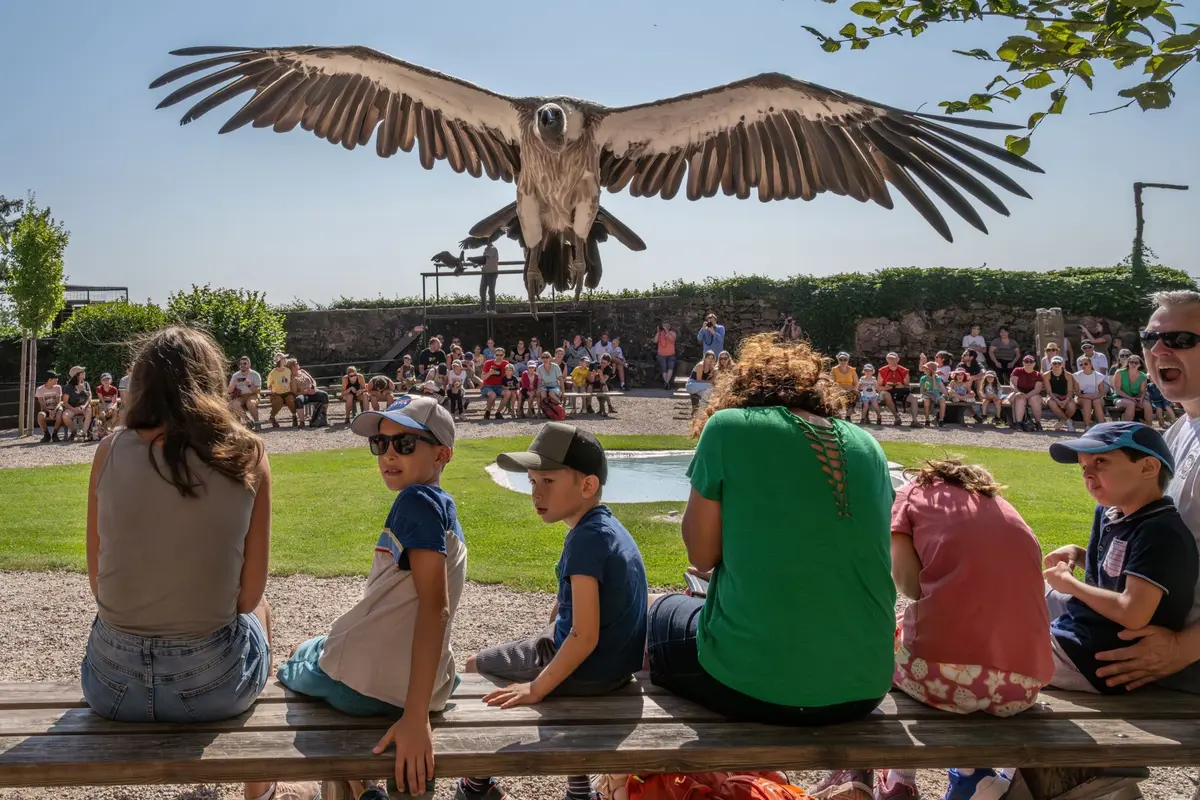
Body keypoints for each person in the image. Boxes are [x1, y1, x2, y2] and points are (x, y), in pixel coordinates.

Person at [648, 334, 894, 780]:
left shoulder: (728, 427)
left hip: (756, 688)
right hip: (865, 686)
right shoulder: (868, 445)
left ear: (739, 390)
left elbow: (701, 556)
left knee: (661, 610)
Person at [78, 327, 287, 800]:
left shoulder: (110, 449)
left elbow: (99, 583)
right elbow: (249, 597)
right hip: (212, 686)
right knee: (264, 609)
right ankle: (260, 786)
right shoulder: (246, 453)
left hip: (111, 683)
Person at [277, 395, 464, 799]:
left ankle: (358, 785)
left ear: (442, 455)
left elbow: (436, 608)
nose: (388, 454)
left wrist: (415, 719)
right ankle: (363, 786)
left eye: (405, 444)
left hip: (367, 690)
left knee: (299, 655)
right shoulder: (442, 507)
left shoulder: (415, 502)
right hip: (420, 686)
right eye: (380, 444)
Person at [462, 423, 648, 800]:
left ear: (587, 485)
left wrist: (537, 686)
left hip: (589, 672)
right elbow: (569, 607)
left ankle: (474, 786)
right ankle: (578, 789)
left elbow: (584, 635)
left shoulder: (585, 540)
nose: (536, 493)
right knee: (538, 647)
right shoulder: (605, 528)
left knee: (472, 668)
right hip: (615, 670)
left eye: (547, 481)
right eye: (532, 482)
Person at [877, 458, 1054, 800]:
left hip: (941, 679)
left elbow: (909, 587)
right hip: (1023, 687)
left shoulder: (911, 497)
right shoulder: (1003, 509)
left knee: (884, 644)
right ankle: (971, 774)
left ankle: (898, 776)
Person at [1045, 422, 1198, 695]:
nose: (1088, 475)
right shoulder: (1112, 512)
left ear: (1148, 468)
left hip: (1101, 657)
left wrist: (1070, 585)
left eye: (1101, 461)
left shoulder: (1160, 532)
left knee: (995, 650)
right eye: (1083, 467)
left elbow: (1133, 613)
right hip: (1084, 633)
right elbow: (1113, 571)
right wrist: (1078, 555)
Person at [1043, 355, 1079, 432]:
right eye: (1054, 363)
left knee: (1072, 406)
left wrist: (1066, 400)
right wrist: (1057, 400)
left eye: (1059, 363)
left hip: (1066, 396)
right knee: (1052, 403)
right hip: (1053, 396)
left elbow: (1070, 391)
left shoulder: (1068, 375)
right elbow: (1049, 391)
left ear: (1062, 364)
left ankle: (1062, 421)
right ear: (1051, 364)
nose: (1057, 365)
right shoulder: (1046, 375)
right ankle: (1069, 421)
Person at [1114, 354, 1153, 424]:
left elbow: (1142, 391)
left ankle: (1149, 426)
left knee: (1147, 405)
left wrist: (1141, 399)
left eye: (1136, 362)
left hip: (1136, 398)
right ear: (1128, 363)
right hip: (1120, 397)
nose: (1133, 364)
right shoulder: (1119, 372)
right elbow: (1117, 390)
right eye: (1131, 362)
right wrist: (1131, 398)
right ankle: (1125, 427)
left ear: (1140, 364)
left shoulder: (1143, 376)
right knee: (1131, 404)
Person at [1074, 355, 1109, 431]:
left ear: (1090, 364)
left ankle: (1101, 425)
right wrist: (1086, 396)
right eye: (1081, 364)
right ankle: (1087, 426)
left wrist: (1094, 396)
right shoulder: (1076, 375)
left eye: (1085, 363)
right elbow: (1076, 392)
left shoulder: (1099, 376)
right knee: (1087, 401)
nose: (1083, 366)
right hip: (1081, 397)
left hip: (1096, 396)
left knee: (1096, 401)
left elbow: (1102, 392)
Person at [1010, 355, 1045, 432]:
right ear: (1023, 363)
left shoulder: (1038, 375)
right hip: (1018, 392)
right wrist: (1018, 392)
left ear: (1034, 363)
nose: (1028, 363)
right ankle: (1018, 423)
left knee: (1034, 399)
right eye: (1026, 361)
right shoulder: (1017, 371)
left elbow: (1037, 389)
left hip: (1033, 394)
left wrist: (1027, 395)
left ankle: (1038, 423)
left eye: (1031, 361)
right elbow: (1012, 384)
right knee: (1020, 399)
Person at [291, 359, 329, 428]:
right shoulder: (292, 378)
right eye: (296, 363)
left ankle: (323, 417)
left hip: (313, 391)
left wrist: (313, 387)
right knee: (298, 400)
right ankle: (302, 422)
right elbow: (295, 392)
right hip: (303, 394)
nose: (297, 363)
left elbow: (313, 380)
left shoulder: (303, 371)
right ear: (292, 366)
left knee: (324, 395)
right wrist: (304, 391)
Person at [877, 352, 912, 428]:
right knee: (886, 395)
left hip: (900, 391)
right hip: (886, 390)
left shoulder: (904, 370)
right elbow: (878, 387)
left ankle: (915, 421)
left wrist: (902, 386)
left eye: (893, 359)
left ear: (898, 359)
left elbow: (907, 386)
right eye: (889, 359)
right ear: (887, 360)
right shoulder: (882, 371)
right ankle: (896, 416)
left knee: (913, 399)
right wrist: (884, 388)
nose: (891, 360)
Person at [227, 356, 263, 428]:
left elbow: (258, 390)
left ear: (249, 365)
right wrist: (233, 384)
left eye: (245, 363)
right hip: (241, 396)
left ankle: (257, 422)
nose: (242, 365)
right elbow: (229, 391)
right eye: (241, 364)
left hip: (253, 395)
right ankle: (248, 421)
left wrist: (249, 384)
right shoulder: (235, 375)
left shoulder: (255, 374)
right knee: (233, 404)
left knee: (251, 403)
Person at [62, 366, 94, 441]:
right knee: (65, 416)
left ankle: (84, 434)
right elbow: (65, 402)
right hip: (72, 407)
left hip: (84, 406)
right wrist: (73, 409)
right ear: (77, 375)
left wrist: (84, 406)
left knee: (89, 411)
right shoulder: (68, 387)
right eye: (82, 372)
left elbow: (90, 398)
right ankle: (73, 431)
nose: (84, 373)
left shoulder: (86, 384)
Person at [266, 353, 298, 429]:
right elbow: (269, 385)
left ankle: (294, 416)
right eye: (284, 359)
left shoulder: (288, 371)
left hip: (287, 392)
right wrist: (272, 393)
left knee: (291, 400)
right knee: (278, 402)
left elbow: (290, 381)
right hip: (277, 393)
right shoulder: (272, 373)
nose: (285, 360)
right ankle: (272, 417)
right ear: (279, 361)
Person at [913, 361, 947, 428]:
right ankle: (927, 420)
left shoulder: (938, 378)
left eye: (926, 368)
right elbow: (922, 391)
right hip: (926, 394)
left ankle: (941, 420)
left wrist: (934, 377)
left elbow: (935, 388)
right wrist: (930, 396)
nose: (924, 369)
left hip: (936, 394)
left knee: (943, 401)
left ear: (931, 370)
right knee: (926, 402)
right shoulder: (923, 378)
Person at [34, 370, 64, 442]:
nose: (57, 379)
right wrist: (49, 411)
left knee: (59, 414)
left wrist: (54, 411)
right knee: (40, 415)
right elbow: (42, 405)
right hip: (46, 409)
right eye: (55, 378)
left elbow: (59, 402)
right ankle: (46, 434)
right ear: (50, 380)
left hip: (56, 408)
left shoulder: (58, 387)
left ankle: (55, 434)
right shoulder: (39, 389)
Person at [481, 347, 510, 420]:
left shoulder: (506, 363)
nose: (499, 357)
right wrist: (490, 373)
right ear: (494, 355)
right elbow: (483, 377)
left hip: (499, 386)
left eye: (501, 355)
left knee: (508, 393)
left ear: (504, 355)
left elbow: (508, 376)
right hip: (487, 386)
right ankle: (488, 411)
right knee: (492, 395)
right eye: (497, 355)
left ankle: (498, 412)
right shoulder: (488, 363)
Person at [832, 352, 857, 421]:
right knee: (837, 395)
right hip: (838, 388)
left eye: (845, 359)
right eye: (841, 359)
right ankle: (836, 415)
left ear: (848, 360)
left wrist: (852, 389)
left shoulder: (852, 370)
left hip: (850, 389)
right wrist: (841, 389)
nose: (843, 361)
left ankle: (848, 416)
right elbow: (832, 383)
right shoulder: (834, 370)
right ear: (838, 360)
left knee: (855, 395)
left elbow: (856, 383)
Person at [95, 372, 121, 437]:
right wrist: (105, 408)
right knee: (102, 414)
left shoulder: (114, 389)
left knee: (115, 412)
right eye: (104, 380)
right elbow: (102, 400)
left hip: (111, 404)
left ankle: (109, 428)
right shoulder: (99, 388)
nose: (106, 381)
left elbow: (115, 402)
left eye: (108, 379)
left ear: (111, 380)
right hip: (102, 404)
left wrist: (111, 408)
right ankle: (105, 429)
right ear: (101, 381)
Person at [656, 322, 678, 390]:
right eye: (664, 326)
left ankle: (666, 383)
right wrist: (658, 332)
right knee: (664, 369)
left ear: (669, 327)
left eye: (666, 326)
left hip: (671, 354)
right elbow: (655, 341)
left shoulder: (672, 333)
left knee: (670, 368)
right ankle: (667, 383)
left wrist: (667, 332)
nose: (665, 327)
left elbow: (672, 340)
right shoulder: (660, 333)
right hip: (661, 355)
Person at [480, 240, 499, 312]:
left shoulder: (493, 249)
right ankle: (483, 309)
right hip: (485, 272)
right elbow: (484, 260)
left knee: (491, 291)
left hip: (492, 273)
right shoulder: (486, 249)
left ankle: (493, 309)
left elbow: (487, 257)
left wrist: (476, 260)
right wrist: (478, 263)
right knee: (482, 291)